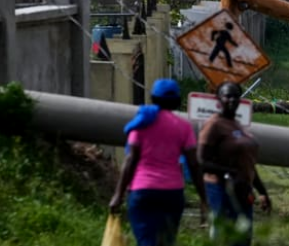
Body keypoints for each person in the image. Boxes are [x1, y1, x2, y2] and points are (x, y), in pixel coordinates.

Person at [110, 78, 208, 246]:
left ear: (153, 98)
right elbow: (193, 164)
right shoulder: (184, 127)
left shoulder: (142, 122)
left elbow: (131, 159)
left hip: (143, 191)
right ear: (177, 101)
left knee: (146, 240)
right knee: (166, 242)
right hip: (172, 194)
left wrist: (118, 195)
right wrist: (204, 198)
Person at [200, 81, 270, 246]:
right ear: (219, 99)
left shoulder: (237, 125)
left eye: (235, 96)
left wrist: (262, 191)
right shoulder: (214, 125)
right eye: (227, 96)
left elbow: (247, 163)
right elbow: (202, 162)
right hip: (221, 190)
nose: (232, 100)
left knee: (243, 239)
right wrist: (230, 173)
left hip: (243, 190)